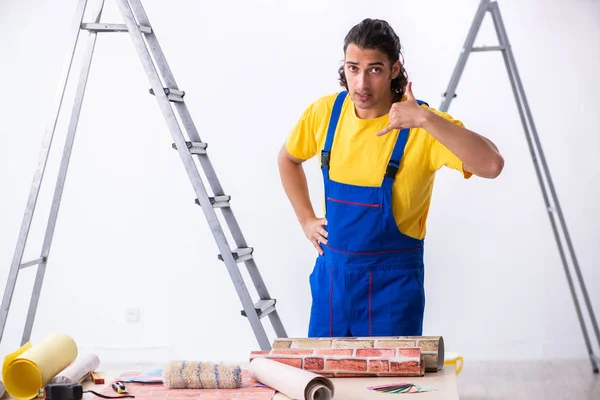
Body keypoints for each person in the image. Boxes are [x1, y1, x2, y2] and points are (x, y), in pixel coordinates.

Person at [277, 18, 504, 338]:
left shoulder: (422, 126)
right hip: (333, 286)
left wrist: (426, 119)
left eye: (375, 69)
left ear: (395, 69)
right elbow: (288, 159)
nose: (361, 85)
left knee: (388, 387)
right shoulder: (325, 114)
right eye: (353, 68)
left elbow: (492, 164)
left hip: (392, 292)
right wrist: (305, 219)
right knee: (326, 385)